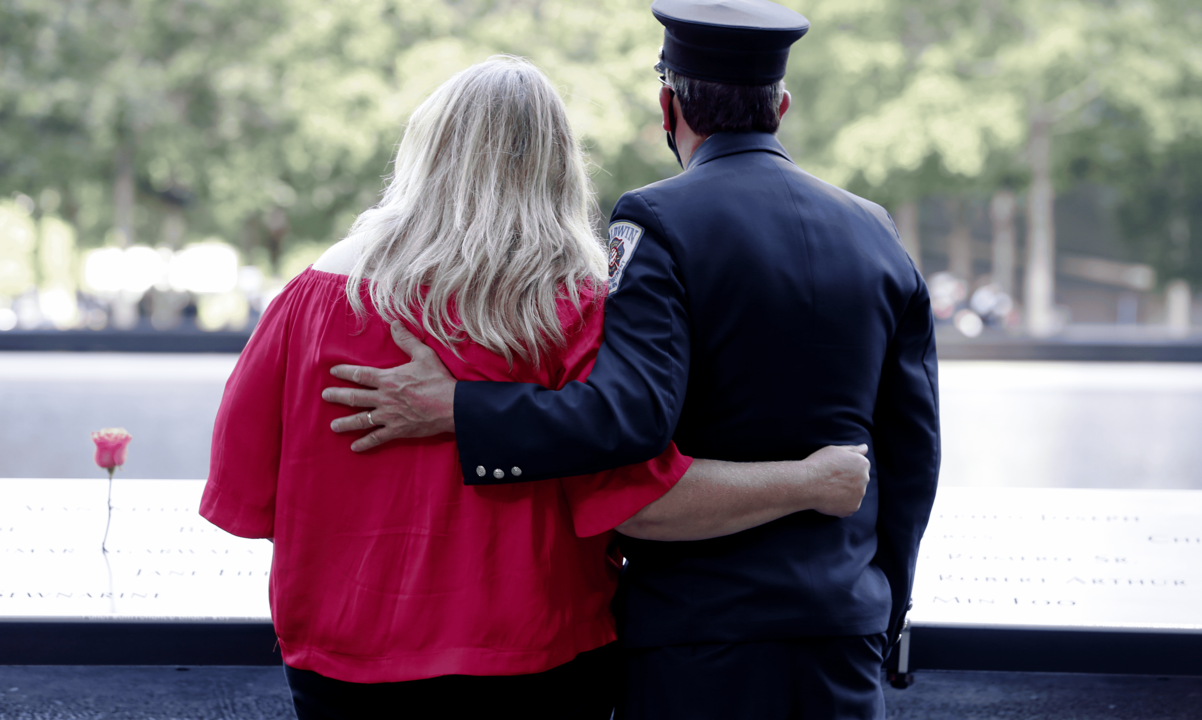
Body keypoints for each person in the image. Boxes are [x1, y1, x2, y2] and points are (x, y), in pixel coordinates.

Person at [201, 55, 871, 720]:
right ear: (558, 164)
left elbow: (248, 496)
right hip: (537, 662)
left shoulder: (311, 301)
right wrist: (811, 481)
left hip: (340, 659)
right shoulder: (576, 310)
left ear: (424, 149)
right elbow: (645, 504)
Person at [323, 3, 940, 717]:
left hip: (696, 638)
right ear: (782, 106)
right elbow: (912, 451)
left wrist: (459, 408)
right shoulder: (875, 230)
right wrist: (883, 607)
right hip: (843, 628)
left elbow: (628, 416)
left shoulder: (657, 219)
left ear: (668, 105)